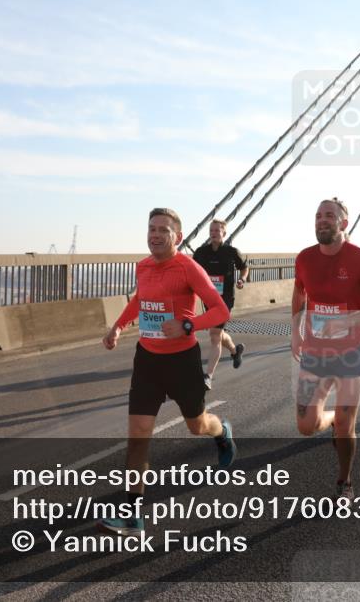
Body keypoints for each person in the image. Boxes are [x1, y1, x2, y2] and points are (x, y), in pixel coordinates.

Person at [98, 208, 237, 537]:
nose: (155, 234)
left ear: (178, 236)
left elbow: (221, 309)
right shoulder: (143, 266)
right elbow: (140, 301)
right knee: (138, 437)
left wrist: (188, 324)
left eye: (163, 229)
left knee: (197, 425)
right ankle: (133, 517)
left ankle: (221, 433)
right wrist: (118, 325)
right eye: (151, 228)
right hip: (147, 361)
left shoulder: (188, 268)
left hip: (182, 362)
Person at [292, 198, 360, 500]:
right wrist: (295, 332)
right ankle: (332, 417)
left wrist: (347, 320)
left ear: (343, 223)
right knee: (306, 425)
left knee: (347, 428)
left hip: (350, 355)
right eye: (318, 215)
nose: (322, 220)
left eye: (329, 216)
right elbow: (299, 294)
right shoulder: (304, 258)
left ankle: (344, 481)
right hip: (313, 354)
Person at [193, 218, 249, 389]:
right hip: (208, 298)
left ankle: (207, 376)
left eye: (217, 230)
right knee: (218, 333)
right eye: (211, 230)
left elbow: (244, 267)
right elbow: (192, 270)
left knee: (215, 335)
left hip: (225, 300)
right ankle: (235, 351)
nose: (214, 233)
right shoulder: (201, 252)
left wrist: (241, 279)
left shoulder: (232, 252)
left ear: (224, 233)